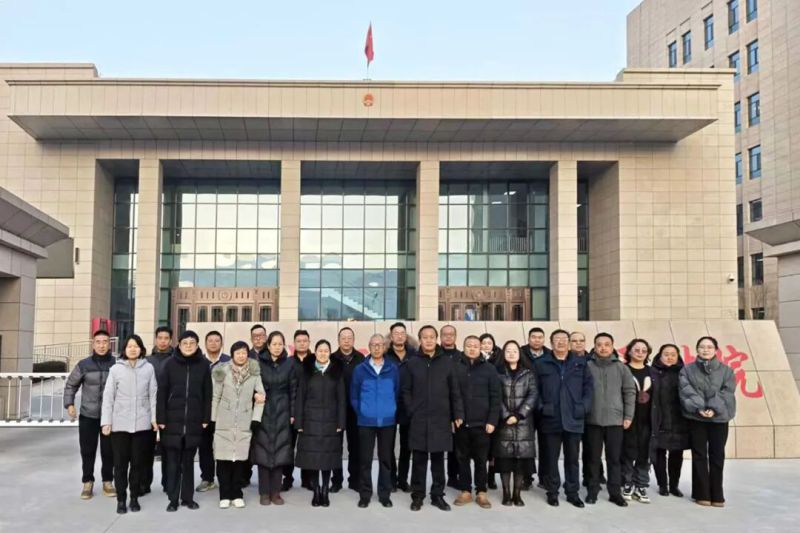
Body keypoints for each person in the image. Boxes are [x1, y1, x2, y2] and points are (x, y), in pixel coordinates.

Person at [402, 325, 464, 511]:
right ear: (420, 340)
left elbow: (455, 391)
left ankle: (437, 495)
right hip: (419, 419)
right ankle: (417, 496)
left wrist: (457, 414)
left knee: (438, 461)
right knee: (418, 461)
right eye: (425, 337)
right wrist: (411, 410)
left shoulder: (446, 362)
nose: (428, 340)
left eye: (431, 337)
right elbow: (405, 390)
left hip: (440, 418)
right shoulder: (412, 362)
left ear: (436, 339)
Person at [534, 329, 593, 508]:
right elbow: (534, 389)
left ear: (569, 342)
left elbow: (589, 389)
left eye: (564, 339)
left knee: (572, 459)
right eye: (557, 339)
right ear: (551, 343)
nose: (561, 342)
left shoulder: (580, 363)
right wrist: (542, 407)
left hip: (574, 417)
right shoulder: (541, 363)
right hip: (550, 417)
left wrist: (583, 407)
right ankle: (552, 492)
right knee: (551, 459)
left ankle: (572, 492)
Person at [101, 334, 158, 514]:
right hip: (120, 425)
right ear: (124, 349)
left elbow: (153, 395)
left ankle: (134, 497)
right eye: (129, 346)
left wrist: (154, 419)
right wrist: (106, 422)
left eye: (136, 346)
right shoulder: (115, 369)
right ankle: (121, 499)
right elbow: (108, 397)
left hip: (142, 424)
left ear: (141, 349)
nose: (133, 349)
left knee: (137, 464)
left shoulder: (148, 368)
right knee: (120, 465)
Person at [156, 330, 212, 512]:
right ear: (179, 345)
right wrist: (160, 418)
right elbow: (162, 392)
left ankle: (188, 498)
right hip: (172, 421)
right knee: (173, 463)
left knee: (188, 463)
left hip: (194, 421)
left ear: (197, 345)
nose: (188, 346)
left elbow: (208, 393)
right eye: (185, 343)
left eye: (192, 343)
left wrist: (205, 417)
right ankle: (173, 499)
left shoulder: (203, 365)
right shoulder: (169, 364)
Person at [679, 336, 736, 508]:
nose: (705, 350)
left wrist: (713, 407)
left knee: (717, 455)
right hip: (697, 418)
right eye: (702, 347)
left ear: (716, 350)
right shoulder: (687, 370)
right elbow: (686, 390)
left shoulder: (727, 371)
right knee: (699, 454)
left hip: (719, 418)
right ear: (697, 349)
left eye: (709, 347)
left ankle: (717, 494)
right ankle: (701, 493)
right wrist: (699, 408)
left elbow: (727, 392)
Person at [211, 341, 265, 509]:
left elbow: (261, 396)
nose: (241, 356)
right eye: (238, 353)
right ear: (232, 354)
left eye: (244, 353)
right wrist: (213, 419)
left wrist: (256, 418)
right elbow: (215, 396)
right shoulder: (222, 370)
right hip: (223, 420)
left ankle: (237, 494)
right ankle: (224, 495)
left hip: (244, 420)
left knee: (240, 460)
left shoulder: (254, 372)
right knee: (223, 460)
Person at [584, 332, 636, 507]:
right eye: (599, 345)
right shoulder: (587, 366)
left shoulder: (621, 368)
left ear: (613, 347)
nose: (603, 348)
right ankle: (592, 490)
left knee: (614, 459)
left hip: (615, 421)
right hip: (592, 420)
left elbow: (629, 392)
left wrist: (628, 416)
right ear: (594, 346)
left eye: (607, 344)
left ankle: (615, 492)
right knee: (593, 458)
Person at [64, 329, 117, 500]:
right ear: (93, 344)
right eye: (98, 342)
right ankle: (87, 482)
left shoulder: (116, 364)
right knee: (87, 450)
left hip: (110, 417)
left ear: (109, 344)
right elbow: (71, 385)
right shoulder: (84, 365)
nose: (101, 345)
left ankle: (108, 481)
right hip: (88, 415)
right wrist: (69, 404)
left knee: (109, 451)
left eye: (105, 342)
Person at [295, 340, 347, 507]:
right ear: (315, 352)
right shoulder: (307, 371)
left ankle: (325, 490)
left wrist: (341, 422)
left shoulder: (336, 372)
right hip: (310, 421)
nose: (323, 354)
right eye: (320, 351)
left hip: (331, 422)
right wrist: (299, 422)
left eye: (326, 351)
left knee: (328, 458)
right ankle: (316, 490)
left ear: (330, 353)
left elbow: (341, 399)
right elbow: (300, 397)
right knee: (313, 458)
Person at [352, 334, 400, 508]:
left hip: (387, 421)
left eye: (380, 344)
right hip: (366, 421)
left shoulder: (393, 369)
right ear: (369, 347)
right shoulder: (360, 369)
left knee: (386, 459)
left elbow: (396, 392)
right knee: (365, 460)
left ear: (384, 347)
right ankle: (365, 494)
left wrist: (391, 410)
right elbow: (354, 395)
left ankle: (384, 494)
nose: (377, 348)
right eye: (373, 345)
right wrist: (362, 412)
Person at [453, 335, 501, 509]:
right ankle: (465, 490)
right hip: (461, 422)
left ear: (480, 347)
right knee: (462, 458)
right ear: (463, 347)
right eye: (469, 345)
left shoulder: (489, 369)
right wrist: (454, 416)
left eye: (475, 346)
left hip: (483, 424)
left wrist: (492, 420)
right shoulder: (455, 367)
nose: (472, 348)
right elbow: (452, 394)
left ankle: (481, 492)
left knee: (481, 460)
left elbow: (496, 397)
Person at [251, 331, 298, 506]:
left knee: (280, 451)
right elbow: (253, 386)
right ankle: (264, 492)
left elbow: (293, 389)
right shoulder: (258, 363)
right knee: (263, 452)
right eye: (274, 344)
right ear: (268, 345)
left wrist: (292, 413)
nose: (277, 347)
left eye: (280, 344)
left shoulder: (289, 363)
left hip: (283, 410)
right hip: (263, 410)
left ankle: (276, 492)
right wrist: (256, 396)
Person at [493, 340, 536, 507]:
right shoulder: (497, 373)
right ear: (503, 353)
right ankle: (506, 493)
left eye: (514, 351)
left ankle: (517, 494)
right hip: (504, 423)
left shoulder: (528, 373)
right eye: (508, 351)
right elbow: (495, 396)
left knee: (520, 463)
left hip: (524, 423)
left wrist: (519, 414)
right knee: (505, 461)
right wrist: (505, 415)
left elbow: (533, 395)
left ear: (520, 354)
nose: (511, 354)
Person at [650, 343, 689, 498]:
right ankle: (662, 485)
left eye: (673, 354)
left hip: (680, 420)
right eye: (666, 354)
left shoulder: (684, 373)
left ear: (678, 356)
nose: (670, 357)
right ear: (660, 356)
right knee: (659, 453)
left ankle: (674, 485)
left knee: (677, 454)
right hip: (659, 418)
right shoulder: (652, 372)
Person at [331, 327, 365, 493]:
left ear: (353, 340)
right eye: (343, 338)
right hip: (336, 409)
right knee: (335, 447)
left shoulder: (361, 359)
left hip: (355, 409)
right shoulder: (331, 358)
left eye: (349, 337)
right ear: (338, 340)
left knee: (355, 447)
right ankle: (336, 481)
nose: (346, 340)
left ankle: (354, 480)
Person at [197, 330, 231, 493]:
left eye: (217, 340)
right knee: (205, 447)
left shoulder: (229, 362)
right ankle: (207, 478)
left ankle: (225, 479)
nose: (213, 343)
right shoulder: (199, 362)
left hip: (224, 412)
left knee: (224, 446)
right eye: (210, 340)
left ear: (221, 343)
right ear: (205, 343)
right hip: (204, 412)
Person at [385, 321, 417, 493]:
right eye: (396, 333)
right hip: (389, 405)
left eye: (402, 333)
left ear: (406, 336)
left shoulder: (414, 355)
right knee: (388, 445)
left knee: (407, 445)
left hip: (408, 406)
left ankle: (402, 480)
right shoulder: (385, 355)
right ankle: (391, 478)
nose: (399, 336)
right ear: (391, 336)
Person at [621, 338, 654, 504]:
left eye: (644, 350)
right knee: (627, 452)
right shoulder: (623, 369)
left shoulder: (652, 372)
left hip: (648, 419)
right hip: (627, 418)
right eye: (637, 350)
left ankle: (641, 485)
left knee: (644, 453)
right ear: (629, 351)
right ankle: (627, 483)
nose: (640, 353)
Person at [144, 325, 174, 494]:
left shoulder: (176, 359)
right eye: (160, 338)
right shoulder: (146, 360)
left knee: (168, 450)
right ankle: (144, 483)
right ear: (156, 339)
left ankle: (168, 483)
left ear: (171, 340)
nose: (163, 341)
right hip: (148, 410)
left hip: (170, 410)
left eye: (166, 338)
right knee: (146, 449)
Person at [286, 329, 314, 490]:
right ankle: (287, 478)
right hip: (291, 411)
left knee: (307, 447)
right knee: (288, 447)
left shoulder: (315, 361)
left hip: (310, 412)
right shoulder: (288, 362)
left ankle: (307, 479)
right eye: (299, 341)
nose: (302, 343)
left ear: (309, 342)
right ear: (294, 343)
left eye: (305, 341)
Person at [439, 324, 462, 488]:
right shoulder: (435, 355)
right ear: (441, 337)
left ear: (455, 336)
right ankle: (439, 479)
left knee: (456, 446)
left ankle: (453, 477)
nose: (448, 337)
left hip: (457, 406)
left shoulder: (461, 357)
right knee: (439, 447)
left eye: (451, 334)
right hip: (439, 406)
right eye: (445, 334)